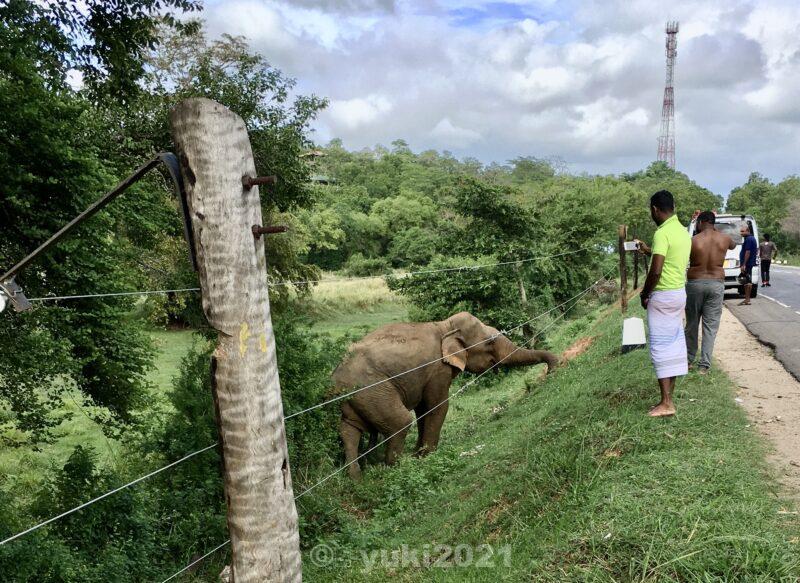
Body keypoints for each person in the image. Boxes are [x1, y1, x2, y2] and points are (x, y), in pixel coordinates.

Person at [635, 190, 692, 417]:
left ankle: (666, 402)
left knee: (660, 347)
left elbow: (656, 271)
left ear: (655, 209)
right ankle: (669, 399)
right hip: (678, 293)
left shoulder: (662, 233)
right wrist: (648, 250)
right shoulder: (681, 231)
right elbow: (668, 260)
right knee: (675, 344)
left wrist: (644, 294)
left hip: (663, 296)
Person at [685, 211, 735, 374]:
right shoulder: (725, 239)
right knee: (710, 326)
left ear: (700, 222)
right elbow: (733, 244)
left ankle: (688, 359)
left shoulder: (692, 240)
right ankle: (704, 365)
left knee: (692, 324)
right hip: (716, 283)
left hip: (695, 283)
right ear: (713, 222)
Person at [739, 223, 758, 305]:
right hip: (749, 263)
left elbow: (748, 252)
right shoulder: (750, 238)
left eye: (743, 231)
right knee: (747, 281)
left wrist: (744, 264)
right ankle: (747, 299)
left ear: (747, 231)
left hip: (748, 263)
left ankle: (747, 299)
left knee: (747, 281)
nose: (741, 233)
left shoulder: (749, 239)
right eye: (740, 231)